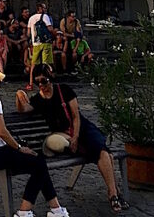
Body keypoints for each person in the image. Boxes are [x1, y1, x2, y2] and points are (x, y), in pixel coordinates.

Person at [16, 65, 128, 213]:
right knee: (102, 153)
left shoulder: (64, 90)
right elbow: (23, 109)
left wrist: (75, 136)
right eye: (38, 83)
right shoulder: (38, 100)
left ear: (51, 78)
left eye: (44, 80)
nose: (42, 85)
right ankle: (114, 193)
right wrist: (18, 96)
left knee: (100, 151)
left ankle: (113, 193)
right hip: (63, 137)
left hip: (81, 129)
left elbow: (76, 116)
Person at [0, 61, 69, 217]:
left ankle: (56, 209)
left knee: (38, 163)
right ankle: (24, 211)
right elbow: (1, 131)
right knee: (39, 163)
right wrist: (19, 148)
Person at [27, 2, 55, 90]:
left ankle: (30, 84)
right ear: (40, 9)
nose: (45, 10)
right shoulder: (45, 17)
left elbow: (28, 33)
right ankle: (47, 82)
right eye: (44, 8)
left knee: (34, 64)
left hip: (36, 44)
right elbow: (50, 28)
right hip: (45, 42)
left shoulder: (31, 18)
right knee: (46, 63)